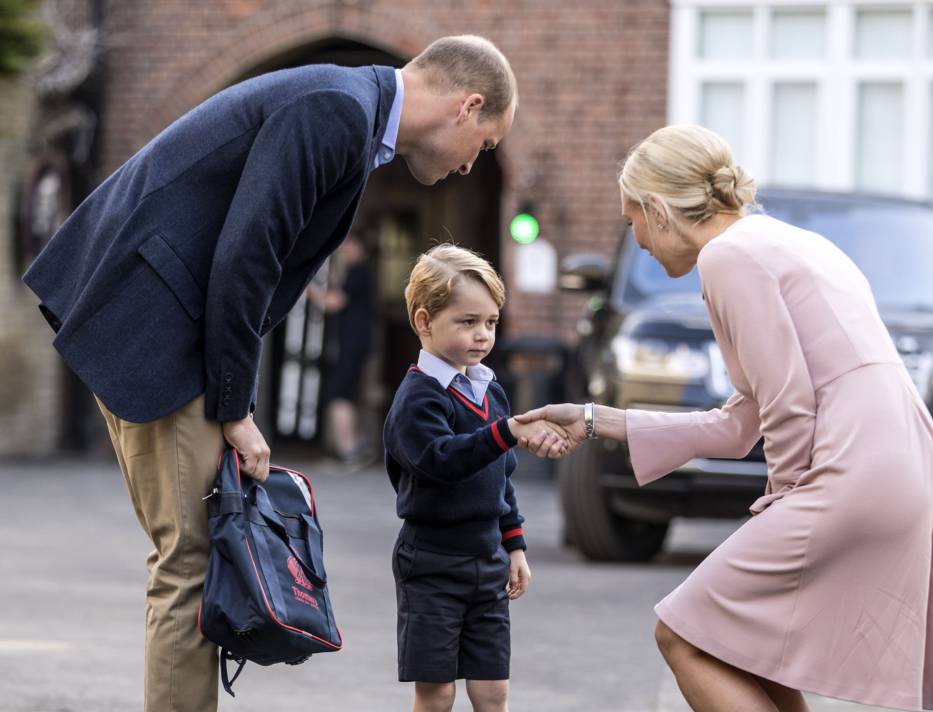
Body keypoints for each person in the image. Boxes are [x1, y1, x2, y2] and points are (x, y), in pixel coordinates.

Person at [21, 35, 518, 712]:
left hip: (159, 325)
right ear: (468, 106)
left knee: (190, 559)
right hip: (160, 331)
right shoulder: (337, 110)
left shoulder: (350, 108)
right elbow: (246, 258)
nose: (471, 167)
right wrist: (236, 408)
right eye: (485, 146)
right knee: (192, 564)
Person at [517, 125, 933, 711]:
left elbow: (787, 401)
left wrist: (785, 496)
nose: (639, 240)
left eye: (633, 222)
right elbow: (739, 422)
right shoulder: (786, 242)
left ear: (658, 209)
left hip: (851, 472)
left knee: (682, 635)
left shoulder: (728, 257)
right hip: (905, 463)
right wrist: (595, 419)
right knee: (748, 648)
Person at [383, 244, 567, 712]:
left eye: (490, 322)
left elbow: (501, 477)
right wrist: (504, 432)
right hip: (431, 564)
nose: (482, 334)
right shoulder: (416, 400)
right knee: (437, 692)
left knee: (492, 690)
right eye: (467, 322)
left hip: (487, 561)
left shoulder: (491, 391)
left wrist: (515, 545)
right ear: (425, 322)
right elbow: (442, 460)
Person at [307, 232, 375, 465]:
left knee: (338, 394)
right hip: (354, 343)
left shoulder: (358, 272)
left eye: (349, 245)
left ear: (360, 248)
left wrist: (305, 286)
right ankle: (353, 446)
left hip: (351, 343)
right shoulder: (356, 273)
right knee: (345, 393)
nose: (344, 250)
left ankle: (349, 450)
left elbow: (333, 303)